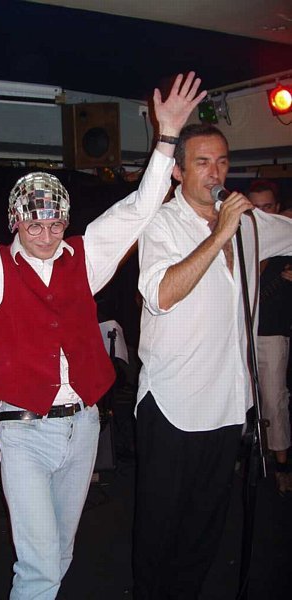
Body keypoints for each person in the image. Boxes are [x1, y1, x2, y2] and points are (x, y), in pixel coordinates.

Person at [0, 58, 206, 600]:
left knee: (61, 555)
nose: (45, 231)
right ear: (15, 220)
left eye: (54, 220)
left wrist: (168, 136)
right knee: (38, 568)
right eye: (34, 221)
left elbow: (139, 208)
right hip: (25, 433)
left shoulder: (85, 257)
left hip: (84, 428)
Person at [133, 123, 292, 599]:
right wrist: (220, 233)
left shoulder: (247, 222)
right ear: (178, 171)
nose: (215, 172)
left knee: (206, 525)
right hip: (173, 406)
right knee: (161, 528)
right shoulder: (160, 223)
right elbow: (161, 294)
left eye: (222, 161)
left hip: (227, 403)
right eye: (202, 162)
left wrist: (235, 223)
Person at [247, 179, 292, 495]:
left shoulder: (286, 241)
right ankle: (241, 455)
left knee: (274, 400)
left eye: (267, 207)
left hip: (271, 333)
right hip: (235, 335)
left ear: (276, 208)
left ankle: (282, 465)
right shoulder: (237, 238)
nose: (262, 214)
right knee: (239, 400)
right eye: (255, 208)